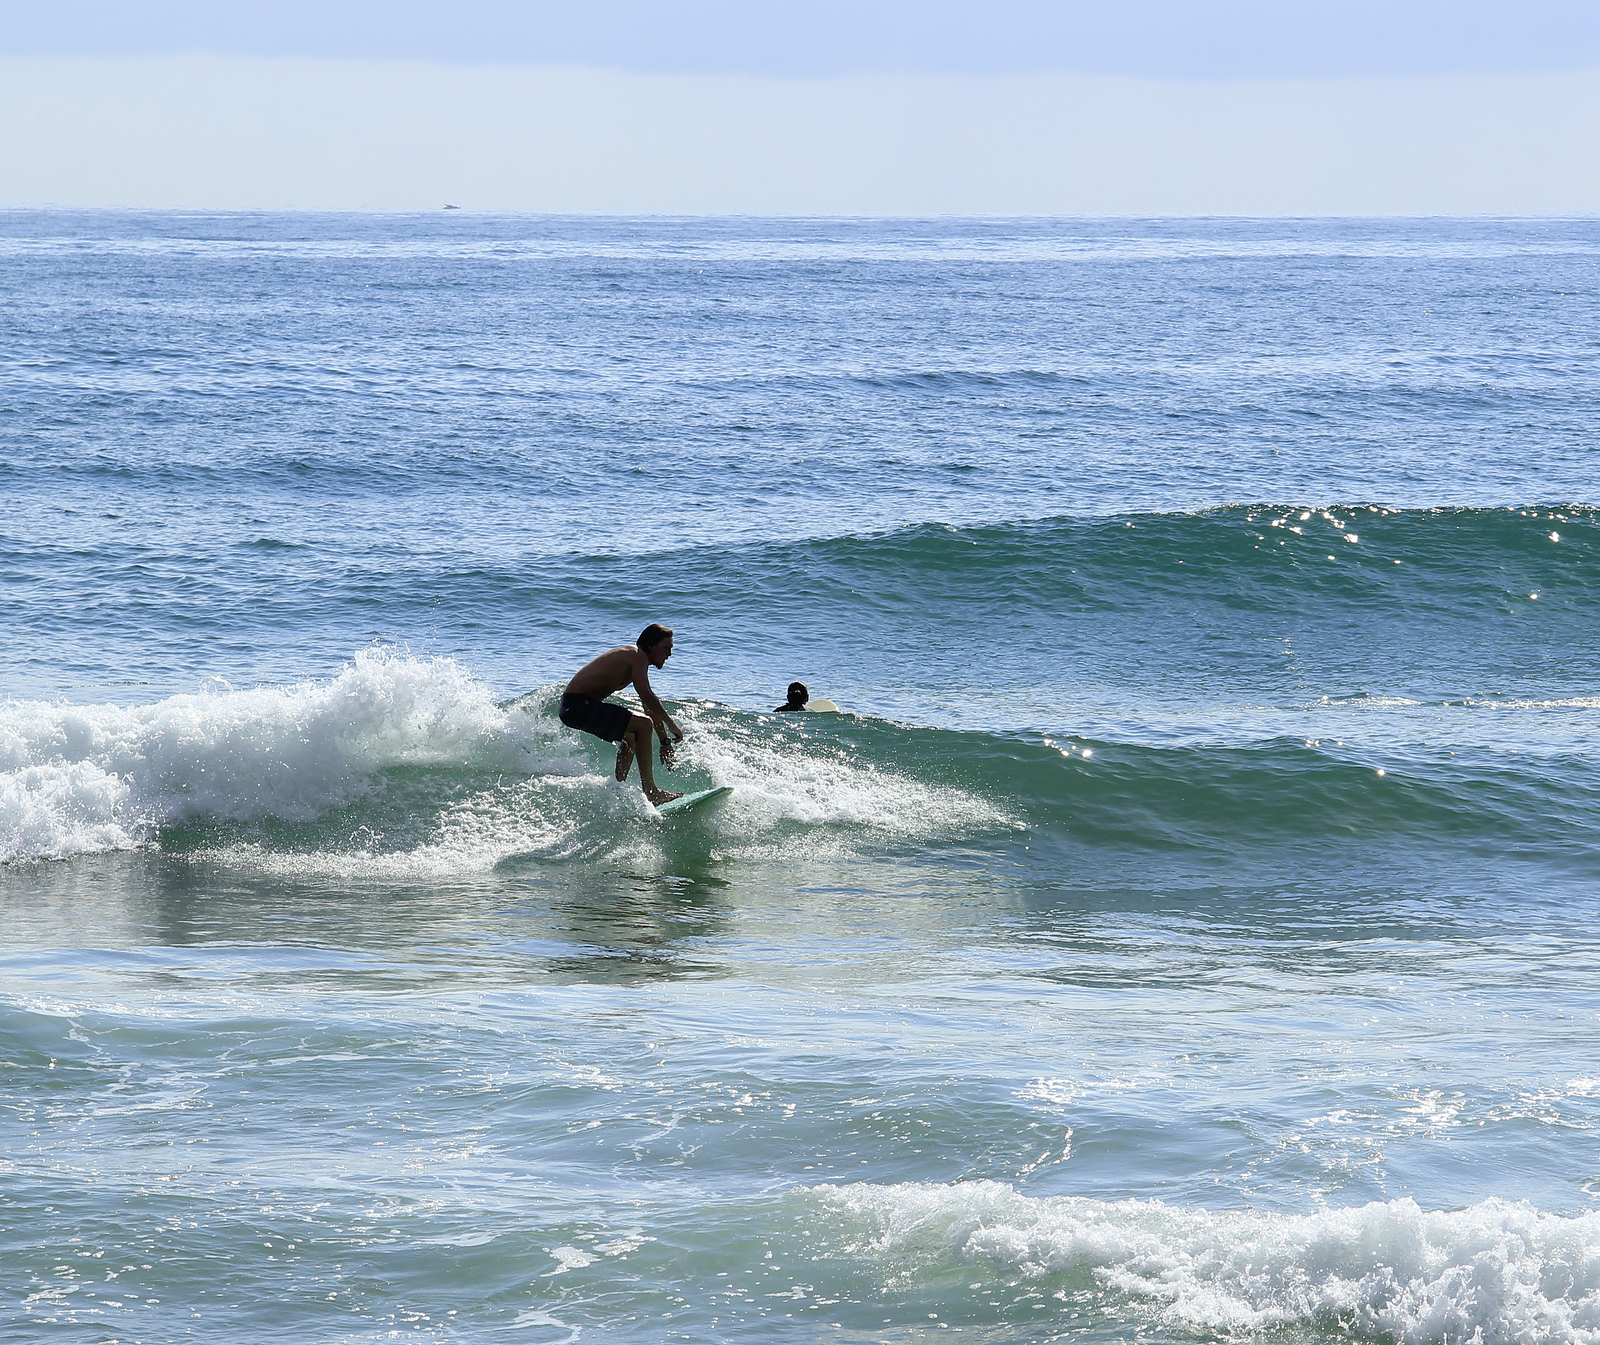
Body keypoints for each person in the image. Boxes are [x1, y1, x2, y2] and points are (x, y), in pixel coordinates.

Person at [560, 624, 684, 806]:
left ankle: (617, 789)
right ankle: (651, 792)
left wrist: (664, 740)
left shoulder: (636, 661)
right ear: (652, 646)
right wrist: (671, 724)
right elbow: (647, 696)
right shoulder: (636, 655)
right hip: (578, 704)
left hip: (574, 708)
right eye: (666, 648)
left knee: (630, 736)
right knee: (643, 724)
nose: (669, 654)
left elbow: (648, 707)